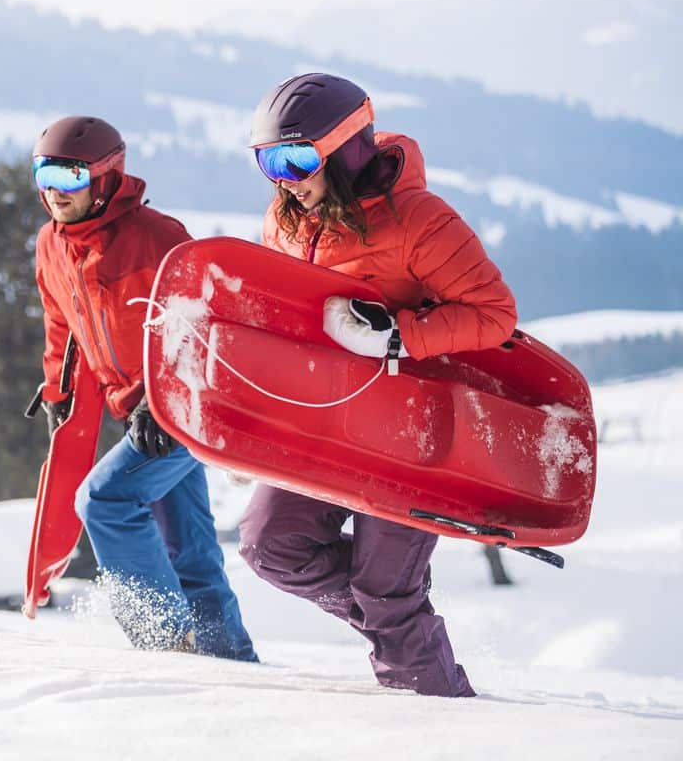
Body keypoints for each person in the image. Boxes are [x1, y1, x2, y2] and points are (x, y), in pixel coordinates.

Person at [237, 73, 519, 696]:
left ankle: (435, 723)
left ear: (343, 150)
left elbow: (495, 314)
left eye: (297, 157)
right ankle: (399, 628)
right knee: (270, 546)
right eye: (268, 160)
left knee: (386, 591)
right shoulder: (284, 221)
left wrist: (397, 334)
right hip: (329, 425)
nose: (284, 177)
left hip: (412, 434)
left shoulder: (420, 219)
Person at [31, 115, 256, 661]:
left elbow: (205, 329)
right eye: (45, 174)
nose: (56, 192)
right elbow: (61, 322)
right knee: (191, 554)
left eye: (71, 176)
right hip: (135, 410)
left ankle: (161, 641)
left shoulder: (157, 239)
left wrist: (164, 401)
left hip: (188, 407)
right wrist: (58, 391)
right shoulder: (52, 245)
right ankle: (232, 668)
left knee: (104, 500)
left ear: (106, 177)